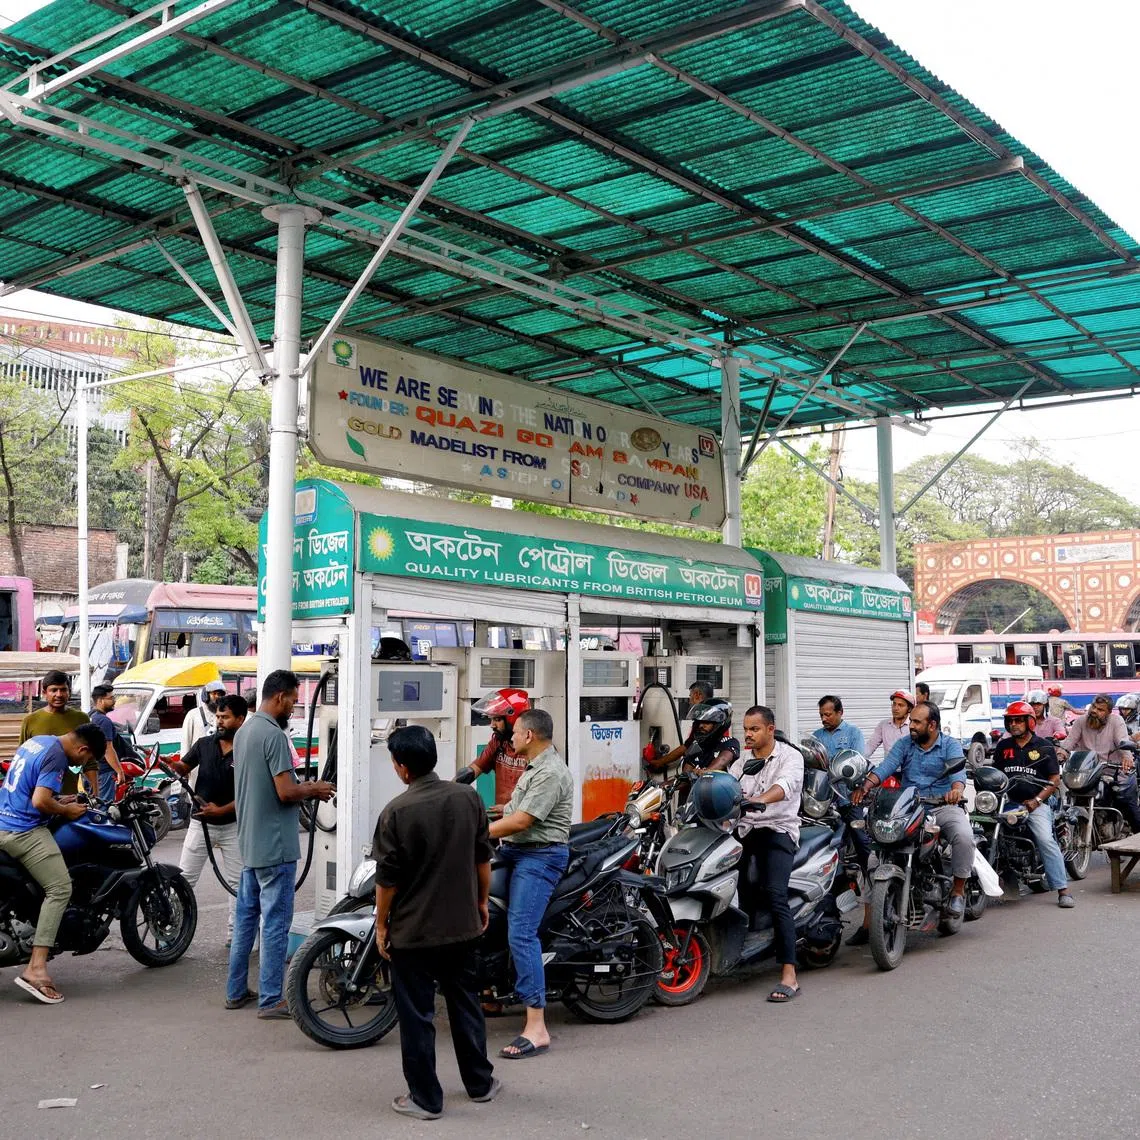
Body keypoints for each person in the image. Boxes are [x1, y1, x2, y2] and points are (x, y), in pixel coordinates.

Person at [374, 725, 499, 1121]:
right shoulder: (468, 798)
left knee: (417, 1016)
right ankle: (480, 1084)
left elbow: (386, 881)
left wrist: (381, 926)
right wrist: (481, 903)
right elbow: (484, 858)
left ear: (403, 768)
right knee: (465, 1005)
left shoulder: (396, 811)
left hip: (414, 933)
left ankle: (426, 1099)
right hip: (462, 926)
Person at [226, 670, 334, 1018]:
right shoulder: (273, 735)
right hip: (275, 845)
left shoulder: (244, 732)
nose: (293, 706)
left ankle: (236, 989)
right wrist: (314, 789)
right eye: (292, 699)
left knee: (246, 920)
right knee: (274, 922)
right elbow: (286, 791)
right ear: (280, 697)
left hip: (251, 843)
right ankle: (272, 998)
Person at [488, 708, 573, 1059]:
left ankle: (537, 1027)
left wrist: (472, 833)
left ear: (530, 735)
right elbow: (511, 811)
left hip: (539, 857)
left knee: (521, 931)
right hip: (517, 851)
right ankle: (489, 988)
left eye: (516, 731)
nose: (510, 737)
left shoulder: (551, 771)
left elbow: (523, 820)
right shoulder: (533, 767)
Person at [0, 725, 105, 1003]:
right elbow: (39, 799)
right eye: (86, 759)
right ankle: (36, 969)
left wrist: (59, 799)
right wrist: (65, 809)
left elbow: (28, 787)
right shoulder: (58, 756)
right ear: (83, 750)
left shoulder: (38, 742)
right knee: (59, 888)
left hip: (3, 818)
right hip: (21, 830)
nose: (82, 764)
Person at [853, 701, 974, 919]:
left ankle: (957, 891)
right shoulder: (904, 744)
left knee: (964, 837)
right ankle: (870, 919)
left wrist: (956, 790)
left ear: (932, 725)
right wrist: (866, 786)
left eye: (917, 722)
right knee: (875, 855)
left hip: (942, 806)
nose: (912, 726)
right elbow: (886, 767)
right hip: (909, 808)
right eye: (912, 722)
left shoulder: (949, 745)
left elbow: (958, 775)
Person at [730, 705, 804, 1003]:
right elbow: (728, 786)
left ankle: (790, 974)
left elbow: (784, 786)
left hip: (778, 830)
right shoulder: (742, 761)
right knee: (729, 886)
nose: (748, 734)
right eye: (746, 729)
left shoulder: (790, 757)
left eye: (754, 729)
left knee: (776, 894)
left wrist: (760, 799)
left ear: (770, 729)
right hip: (745, 830)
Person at [174, 694, 248, 945]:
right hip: (200, 823)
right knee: (183, 880)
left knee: (238, 885)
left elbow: (252, 793)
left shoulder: (247, 749)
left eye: (225, 717)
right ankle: (172, 932)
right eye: (217, 716)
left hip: (234, 826)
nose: (219, 722)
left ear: (240, 718)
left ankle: (236, 936)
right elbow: (182, 768)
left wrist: (223, 810)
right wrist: (167, 766)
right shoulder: (204, 744)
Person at [991, 700, 1073, 908]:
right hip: (1008, 803)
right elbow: (995, 775)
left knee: (1045, 839)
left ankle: (1063, 889)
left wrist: (1037, 800)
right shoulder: (1003, 746)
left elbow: (1055, 779)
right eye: (1010, 721)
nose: (1014, 725)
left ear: (1030, 722)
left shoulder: (1044, 746)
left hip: (1036, 803)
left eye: (1019, 720)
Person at [1060, 694, 1140, 832]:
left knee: (1127, 798)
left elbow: (1122, 741)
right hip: (1087, 772)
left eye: (1100, 710)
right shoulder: (1081, 721)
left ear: (1109, 712)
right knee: (1072, 795)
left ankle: (1137, 835)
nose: (1095, 711)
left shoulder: (1117, 721)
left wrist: (1127, 757)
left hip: (1112, 769)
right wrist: (1061, 753)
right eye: (1093, 707)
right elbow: (1069, 742)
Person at [457, 688, 530, 814]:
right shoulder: (498, 743)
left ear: (514, 719)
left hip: (524, 821)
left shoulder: (533, 750)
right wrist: (447, 789)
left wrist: (509, 809)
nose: (492, 725)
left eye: (497, 719)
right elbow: (472, 770)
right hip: (502, 820)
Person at [20, 670, 91, 796]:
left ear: (69, 692)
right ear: (44, 693)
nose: (59, 694)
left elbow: (90, 761)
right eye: (54, 690)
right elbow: (24, 758)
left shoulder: (82, 719)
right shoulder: (30, 721)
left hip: (69, 796)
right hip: (36, 797)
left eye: (63, 690)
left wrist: (95, 793)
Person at [646, 698, 740, 773]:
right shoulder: (696, 746)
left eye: (707, 723)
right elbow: (685, 777)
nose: (701, 726)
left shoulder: (730, 742)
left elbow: (723, 760)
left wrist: (706, 772)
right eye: (699, 722)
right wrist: (659, 786)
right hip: (694, 795)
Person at [88, 684, 126, 802]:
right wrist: (119, 771)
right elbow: (107, 749)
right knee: (104, 806)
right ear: (100, 700)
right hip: (104, 772)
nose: (114, 701)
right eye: (111, 698)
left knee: (94, 805)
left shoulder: (91, 716)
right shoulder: (104, 721)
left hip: (92, 770)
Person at [181, 678, 226, 766]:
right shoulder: (193, 714)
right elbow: (186, 741)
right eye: (214, 693)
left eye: (220, 694)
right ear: (206, 695)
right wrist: (184, 765)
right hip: (196, 765)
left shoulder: (224, 715)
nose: (217, 697)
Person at [865, 690, 915, 758]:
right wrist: (859, 759)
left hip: (908, 767)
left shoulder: (913, 726)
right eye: (894, 704)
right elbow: (870, 746)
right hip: (888, 767)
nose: (895, 708)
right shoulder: (884, 725)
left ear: (909, 709)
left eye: (900, 705)